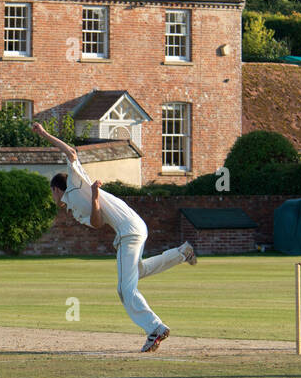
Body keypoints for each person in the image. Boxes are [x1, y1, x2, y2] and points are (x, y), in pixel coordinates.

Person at [31, 121, 196, 353]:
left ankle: (155, 327)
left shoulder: (76, 181)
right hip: (135, 227)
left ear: (57, 189)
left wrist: (44, 133)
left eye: (51, 193)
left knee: (125, 289)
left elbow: (71, 152)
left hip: (129, 229)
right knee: (138, 271)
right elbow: (97, 223)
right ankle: (181, 253)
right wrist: (96, 197)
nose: (52, 198)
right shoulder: (75, 210)